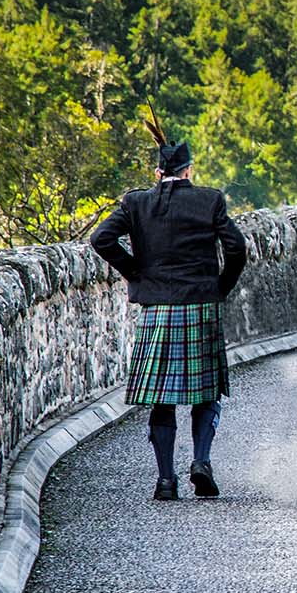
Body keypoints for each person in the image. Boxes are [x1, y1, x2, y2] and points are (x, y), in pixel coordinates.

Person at [91, 135, 247, 500]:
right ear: (188, 170)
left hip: (158, 309)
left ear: (158, 172)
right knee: (206, 393)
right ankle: (201, 462)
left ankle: (165, 481)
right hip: (200, 305)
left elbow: (101, 239)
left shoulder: (136, 203)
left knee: (162, 398)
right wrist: (218, 287)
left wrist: (137, 274)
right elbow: (237, 248)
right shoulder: (209, 200)